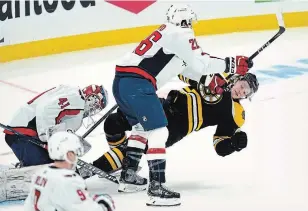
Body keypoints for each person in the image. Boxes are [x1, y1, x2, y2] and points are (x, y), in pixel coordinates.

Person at [111, 3, 252, 206]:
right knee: (159, 132)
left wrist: (208, 81)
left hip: (122, 81)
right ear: (187, 20)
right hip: (139, 84)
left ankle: (128, 176)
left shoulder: (166, 32)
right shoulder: (181, 33)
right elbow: (201, 62)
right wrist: (232, 63)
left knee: (140, 128)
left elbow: (185, 67)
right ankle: (157, 188)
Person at [90, 72, 259, 186]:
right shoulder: (216, 78)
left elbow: (220, 146)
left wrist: (233, 145)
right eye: (243, 85)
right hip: (162, 106)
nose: (241, 91)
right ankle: (121, 164)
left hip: (175, 127)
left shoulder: (235, 112)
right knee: (113, 122)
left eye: (246, 91)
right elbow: (184, 71)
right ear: (237, 78)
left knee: (132, 149)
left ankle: (90, 169)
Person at [3, 84, 108, 167]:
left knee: (57, 167)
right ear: (91, 97)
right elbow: (45, 109)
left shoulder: (71, 92)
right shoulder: (77, 100)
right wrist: (48, 138)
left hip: (24, 132)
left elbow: (57, 124)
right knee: (46, 171)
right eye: (96, 104)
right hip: (22, 134)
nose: (94, 109)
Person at [23, 131, 116, 211]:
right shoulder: (69, 181)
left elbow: (29, 206)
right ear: (69, 154)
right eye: (74, 153)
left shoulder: (41, 174)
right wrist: (104, 205)